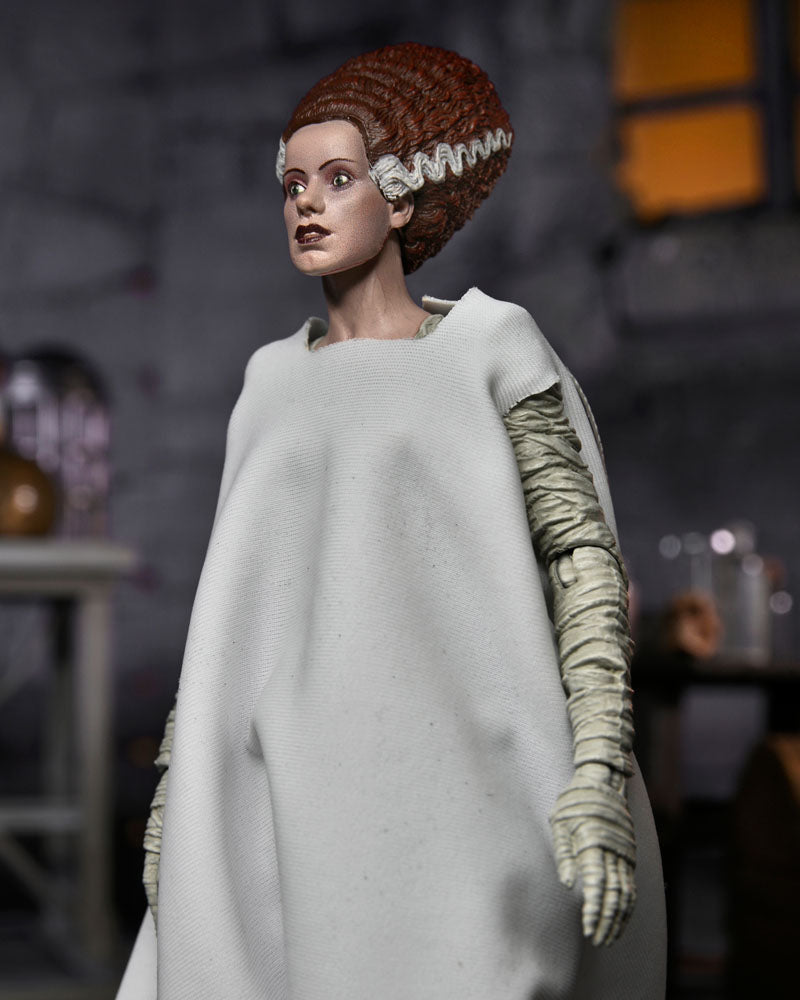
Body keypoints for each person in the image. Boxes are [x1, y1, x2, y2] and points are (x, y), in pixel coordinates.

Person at [117, 42, 666, 1000]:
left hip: (469, 779)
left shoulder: (488, 348)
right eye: (293, 184)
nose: (307, 203)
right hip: (287, 784)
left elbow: (577, 555)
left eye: (339, 179)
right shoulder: (270, 381)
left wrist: (596, 768)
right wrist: (179, 788)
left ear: (403, 199)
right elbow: (232, 604)